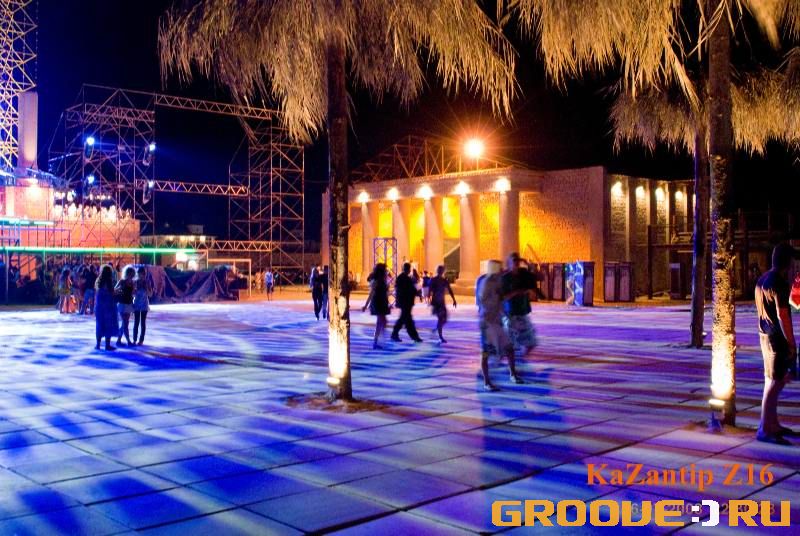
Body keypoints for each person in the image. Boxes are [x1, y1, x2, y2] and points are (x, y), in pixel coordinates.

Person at [755, 244, 797, 445]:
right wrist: (791, 343)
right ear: (787, 262)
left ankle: (773, 424)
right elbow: (783, 315)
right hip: (776, 337)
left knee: (771, 380)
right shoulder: (779, 283)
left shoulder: (762, 279)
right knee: (776, 382)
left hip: (764, 334)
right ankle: (764, 428)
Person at [477, 260, 523, 390]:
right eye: (499, 268)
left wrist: (505, 315)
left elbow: (500, 299)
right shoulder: (486, 282)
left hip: (497, 321)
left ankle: (513, 375)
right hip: (487, 322)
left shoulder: (498, 281)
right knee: (486, 352)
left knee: (509, 348)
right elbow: (483, 300)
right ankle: (487, 382)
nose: (502, 270)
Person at [502, 252, 537, 355]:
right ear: (509, 263)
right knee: (510, 344)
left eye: (518, 260)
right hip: (510, 314)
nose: (517, 263)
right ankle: (508, 359)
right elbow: (502, 297)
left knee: (531, 343)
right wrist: (517, 292)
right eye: (514, 261)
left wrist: (528, 264)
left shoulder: (523, 274)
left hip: (522, 312)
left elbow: (538, 276)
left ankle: (519, 359)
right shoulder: (505, 278)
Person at [391, 262, 423, 343]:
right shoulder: (405, 278)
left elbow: (399, 289)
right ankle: (414, 336)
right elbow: (409, 290)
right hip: (406, 302)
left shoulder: (402, 277)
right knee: (407, 319)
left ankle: (396, 334)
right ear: (408, 269)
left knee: (404, 319)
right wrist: (417, 292)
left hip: (404, 302)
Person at [362, 263, 390, 349]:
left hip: (382, 302)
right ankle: (376, 341)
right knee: (380, 322)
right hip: (378, 303)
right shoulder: (377, 281)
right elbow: (371, 294)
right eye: (385, 270)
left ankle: (378, 340)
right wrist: (366, 305)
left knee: (383, 322)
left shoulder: (382, 280)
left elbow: (385, 293)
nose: (386, 271)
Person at [429, 265, 456, 343]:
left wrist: (454, 299)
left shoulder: (444, 280)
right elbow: (430, 290)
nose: (441, 271)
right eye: (440, 270)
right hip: (436, 303)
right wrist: (430, 300)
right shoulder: (433, 280)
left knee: (445, 318)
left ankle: (437, 329)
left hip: (441, 302)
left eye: (442, 270)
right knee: (441, 319)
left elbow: (450, 290)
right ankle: (440, 337)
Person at [94, 265, 118, 351]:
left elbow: (97, 294)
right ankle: (107, 345)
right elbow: (111, 294)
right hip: (109, 307)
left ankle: (98, 344)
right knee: (108, 325)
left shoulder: (98, 281)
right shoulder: (109, 282)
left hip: (99, 307)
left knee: (99, 325)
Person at [115, 266, 136, 346]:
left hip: (128, 304)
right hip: (122, 304)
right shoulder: (122, 281)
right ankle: (128, 341)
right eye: (129, 274)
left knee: (125, 324)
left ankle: (119, 340)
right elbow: (115, 290)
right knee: (125, 323)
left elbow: (132, 294)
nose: (131, 275)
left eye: (132, 274)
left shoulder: (132, 283)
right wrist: (120, 289)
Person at [132, 266, 152, 346]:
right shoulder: (135, 282)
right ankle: (134, 339)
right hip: (137, 303)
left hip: (144, 304)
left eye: (143, 274)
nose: (141, 276)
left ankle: (141, 340)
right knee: (136, 322)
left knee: (143, 323)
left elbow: (150, 294)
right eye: (140, 274)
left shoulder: (147, 282)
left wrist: (146, 288)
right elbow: (132, 294)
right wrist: (135, 290)